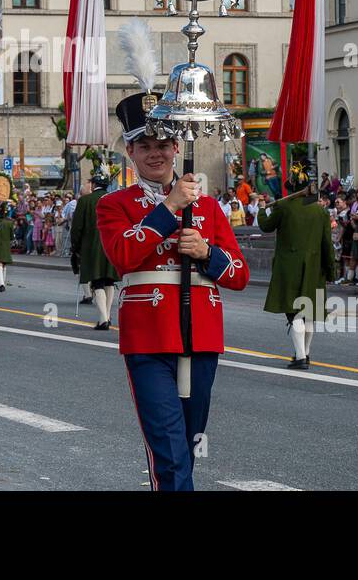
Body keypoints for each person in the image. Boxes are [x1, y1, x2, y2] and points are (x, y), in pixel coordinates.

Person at [96, 92, 249, 491]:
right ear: (129, 150)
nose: (154, 154)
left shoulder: (210, 208)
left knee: (188, 443)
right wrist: (169, 206)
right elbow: (124, 255)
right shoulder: (114, 204)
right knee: (168, 449)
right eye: (144, 146)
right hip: (148, 338)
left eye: (162, 144)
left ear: (177, 147)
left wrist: (206, 253)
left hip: (201, 334)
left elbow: (239, 275)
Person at [258, 163, 334, 369]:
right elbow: (327, 244)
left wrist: (262, 210)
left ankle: (300, 357)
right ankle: (305, 353)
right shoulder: (321, 212)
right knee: (308, 313)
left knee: (294, 313)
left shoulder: (284, 207)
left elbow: (266, 227)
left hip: (289, 268)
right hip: (314, 268)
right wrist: (330, 270)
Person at [70, 172, 116, 330]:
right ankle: (107, 315)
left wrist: (74, 246)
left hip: (92, 246)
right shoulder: (115, 198)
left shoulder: (84, 200)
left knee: (98, 282)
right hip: (112, 244)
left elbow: (76, 227)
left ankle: (103, 319)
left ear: (94, 185)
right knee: (110, 281)